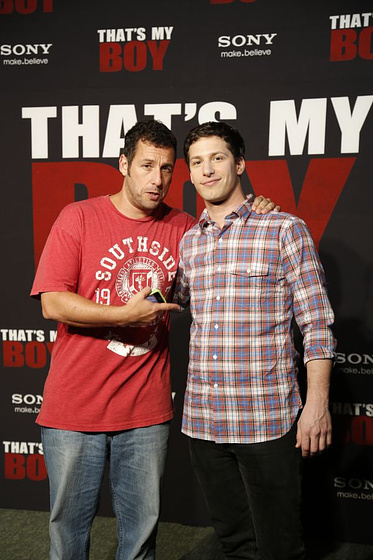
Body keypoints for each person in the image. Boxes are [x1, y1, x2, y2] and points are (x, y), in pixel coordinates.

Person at [30, 119, 277, 560]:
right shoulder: (80, 217)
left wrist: (259, 210)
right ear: (124, 164)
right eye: (146, 166)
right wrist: (125, 314)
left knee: (141, 537)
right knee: (68, 533)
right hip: (74, 408)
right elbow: (53, 303)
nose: (157, 180)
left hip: (146, 411)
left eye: (166, 169)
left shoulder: (183, 226)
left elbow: (227, 231)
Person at [175, 121, 336, 560]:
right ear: (188, 173)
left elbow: (317, 323)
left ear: (240, 163)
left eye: (218, 158)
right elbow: (171, 302)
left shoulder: (284, 229)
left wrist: (316, 404)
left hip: (265, 419)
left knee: (280, 545)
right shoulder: (188, 242)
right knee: (234, 543)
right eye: (197, 162)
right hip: (203, 421)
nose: (207, 170)